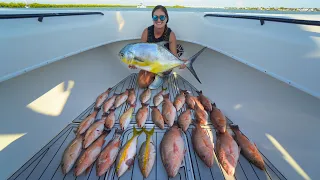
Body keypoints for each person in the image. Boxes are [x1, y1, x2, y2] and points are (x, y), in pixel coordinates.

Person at [129, 5, 187, 76]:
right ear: (152, 19)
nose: (158, 20)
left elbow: (174, 56)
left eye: (162, 17)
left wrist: (180, 64)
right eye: (155, 17)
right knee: (142, 83)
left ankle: (159, 77)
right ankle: (158, 78)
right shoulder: (146, 32)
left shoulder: (171, 35)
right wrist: (136, 63)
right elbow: (142, 54)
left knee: (150, 79)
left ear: (166, 18)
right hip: (150, 66)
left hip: (165, 68)